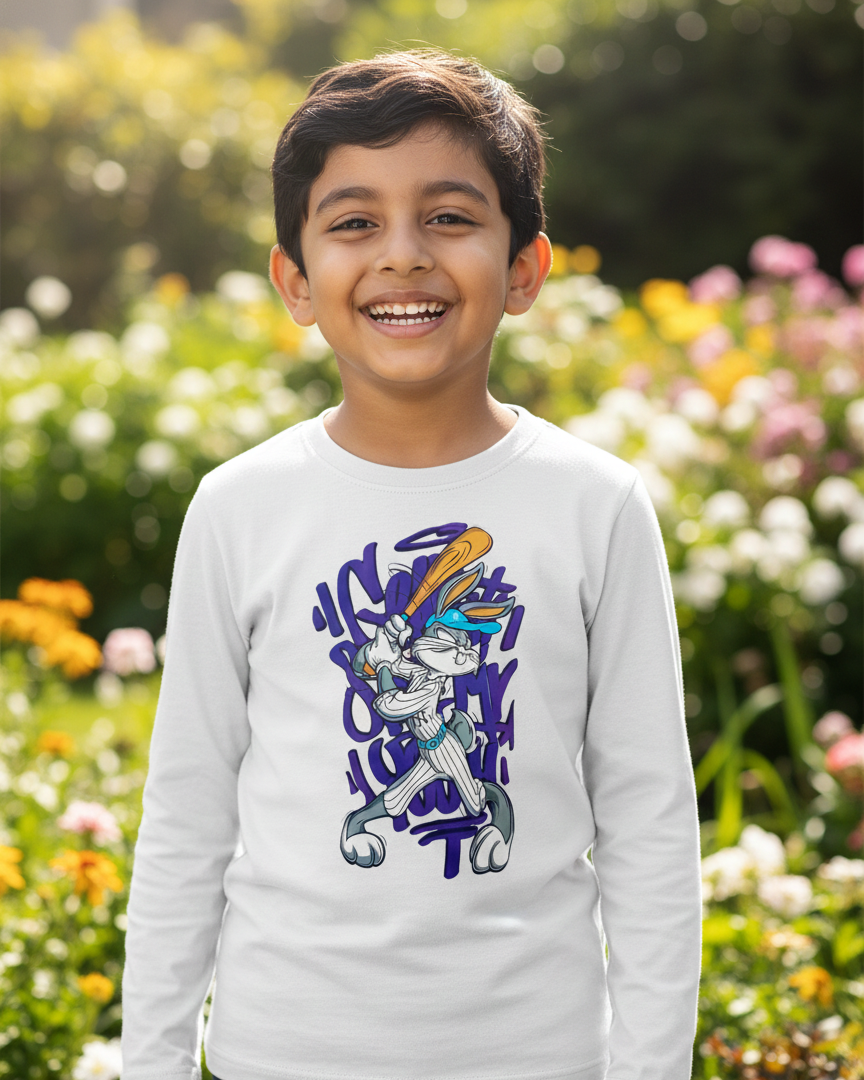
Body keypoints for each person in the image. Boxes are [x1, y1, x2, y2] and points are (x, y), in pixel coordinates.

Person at [121, 48, 702, 1080]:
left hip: (537, 1058)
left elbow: (650, 826)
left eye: (448, 216)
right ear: (295, 282)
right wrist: (153, 1062)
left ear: (523, 268)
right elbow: (187, 816)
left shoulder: (595, 505)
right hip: (281, 1057)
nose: (401, 256)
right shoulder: (241, 508)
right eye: (353, 223)